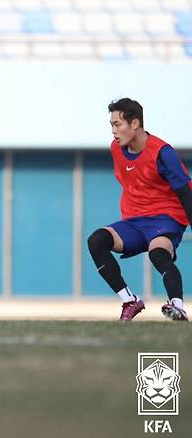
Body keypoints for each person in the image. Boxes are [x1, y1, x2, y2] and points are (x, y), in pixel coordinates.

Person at [87, 97, 191, 321]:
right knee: (97, 240)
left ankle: (177, 307)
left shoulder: (163, 153)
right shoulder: (116, 148)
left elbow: (185, 192)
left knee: (158, 254)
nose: (113, 131)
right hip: (134, 221)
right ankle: (129, 301)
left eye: (118, 124)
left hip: (166, 218)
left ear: (134, 124)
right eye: (111, 125)